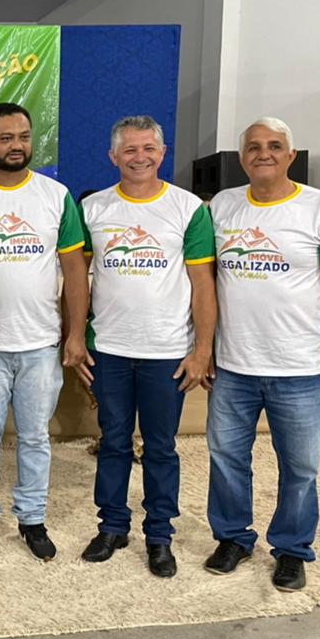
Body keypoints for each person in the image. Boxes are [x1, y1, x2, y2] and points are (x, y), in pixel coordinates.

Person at [205, 117, 320, 592]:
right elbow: (203, 284)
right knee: (226, 458)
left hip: (298, 368)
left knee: (300, 467)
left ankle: (292, 548)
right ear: (242, 158)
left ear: (291, 156)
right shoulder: (220, 207)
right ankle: (233, 537)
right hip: (233, 365)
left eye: (275, 146)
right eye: (253, 147)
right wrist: (203, 348)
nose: (264, 153)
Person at [0, 103, 89, 565]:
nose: (16, 146)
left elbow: (74, 268)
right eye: (5, 138)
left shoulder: (55, 195)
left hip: (41, 344)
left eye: (23, 137)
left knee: (35, 438)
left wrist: (76, 334)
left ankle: (32, 519)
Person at [77, 115, 216, 578]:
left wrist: (202, 350)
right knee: (114, 442)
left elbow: (203, 284)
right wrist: (75, 336)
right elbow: (75, 279)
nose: (140, 157)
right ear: (113, 156)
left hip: (167, 351)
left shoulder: (188, 208)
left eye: (148, 148)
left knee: (160, 447)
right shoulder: (92, 208)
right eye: (130, 150)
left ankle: (159, 536)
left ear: (162, 152)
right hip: (110, 349)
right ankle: (112, 527)